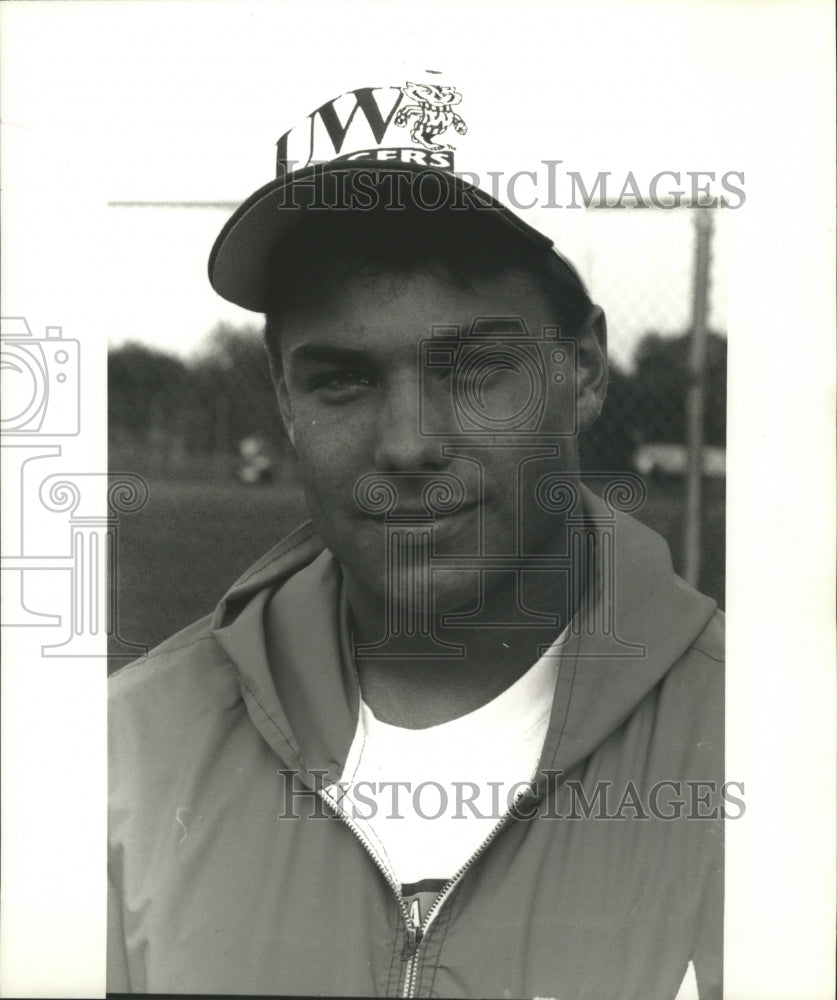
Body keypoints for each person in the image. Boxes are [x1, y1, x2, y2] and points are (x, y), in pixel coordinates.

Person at [108, 77, 725, 999]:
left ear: (584, 370)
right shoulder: (124, 755)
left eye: (477, 369)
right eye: (342, 381)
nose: (408, 445)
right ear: (284, 399)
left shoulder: (772, 745)